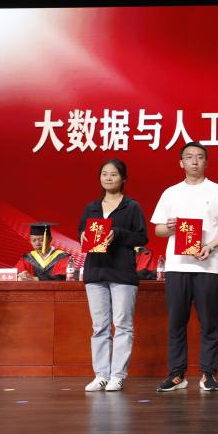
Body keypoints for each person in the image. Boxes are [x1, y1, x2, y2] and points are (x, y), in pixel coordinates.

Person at [151, 142, 218, 393]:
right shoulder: (171, 193)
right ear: (181, 163)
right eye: (189, 157)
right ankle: (177, 374)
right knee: (176, 323)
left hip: (206, 266)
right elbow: (158, 229)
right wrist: (169, 228)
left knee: (209, 322)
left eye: (199, 157)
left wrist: (210, 246)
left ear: (206, 162)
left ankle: (208, 373)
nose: (194, 161)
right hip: (176, 267)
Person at [78, 159, 149, 393]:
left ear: (123, 179)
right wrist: (83, 236)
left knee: (123, 325)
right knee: (99, 327)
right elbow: (81, 231)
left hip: (122, 272)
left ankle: (117, 376)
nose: (108, 178)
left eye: (114, 174)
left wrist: (116, 233)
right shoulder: (91, 207)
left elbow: (142, 237)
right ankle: (101, 375)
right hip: (95, 271)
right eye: (104, 174)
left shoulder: (132, 206)